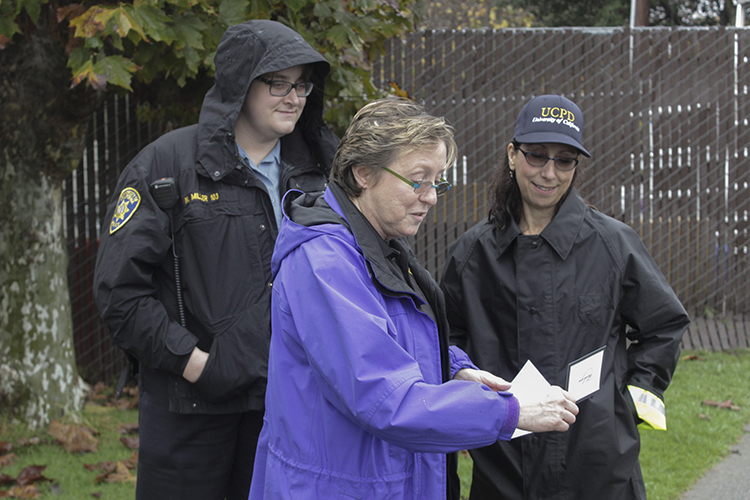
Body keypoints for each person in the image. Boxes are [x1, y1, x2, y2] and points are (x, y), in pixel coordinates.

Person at [248, 98, 579, 500]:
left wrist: (454, 368)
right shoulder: (324, 263)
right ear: (364, 173)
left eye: (438, 181)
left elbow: (394, 337)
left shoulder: (376, 240)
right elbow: (384, 397)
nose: (432, 197)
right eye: (417, 180)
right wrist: (510, 413)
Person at [93, 20, 338, 500]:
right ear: (239, 83)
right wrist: (194, 363)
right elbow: (119, 291)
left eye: (302, 84)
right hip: (190, 411)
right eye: (278, 83)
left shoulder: (320, 172)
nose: (294, 97)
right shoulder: (166, 166)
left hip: (289, 406)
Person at [440, 94, 690, 500]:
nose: (549, 173)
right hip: (505, 463)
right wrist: (471, 404)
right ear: (512, 154)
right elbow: (446, 339)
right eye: (536, 155)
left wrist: (624, 407)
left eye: (564, 160)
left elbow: (664, 325)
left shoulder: (612, 244)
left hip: (598, 465)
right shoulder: (473, 255)